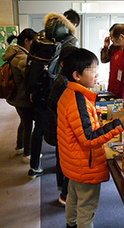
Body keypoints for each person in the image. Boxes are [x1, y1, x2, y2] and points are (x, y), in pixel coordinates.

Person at [57, 47, 124, 228]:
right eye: (92, 70)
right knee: (87, 207)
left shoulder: (72, 93)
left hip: (74, 162)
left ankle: (71, 224)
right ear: (77, 75)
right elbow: (89, 138)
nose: (97, 74)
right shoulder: (78, 100)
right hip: (85, 164)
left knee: (73, 197)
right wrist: (119, 124)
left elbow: (80, 130)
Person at [28, 10, 80, 179]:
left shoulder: (40, 37)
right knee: (61, 131)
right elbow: (74, 72)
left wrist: (32, 90)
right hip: (59, 93)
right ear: (73, 24)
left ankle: (34, 166)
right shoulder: (70, 42)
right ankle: (61, 174)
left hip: (38, 91)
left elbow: (30, 64)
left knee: (38, 129)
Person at [2, 28, 37, 163]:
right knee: (28, 124)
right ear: (26, 41)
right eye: (33, 42)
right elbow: (31, 77)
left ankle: (20, 146)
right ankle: (27, 154)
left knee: (24, 121)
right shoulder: (22, 58)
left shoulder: (15, 53)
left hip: (16, 95)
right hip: (22, 97)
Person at [100, 23, 123, 97]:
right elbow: (104, 60)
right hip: (113, 83)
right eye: (111, 37)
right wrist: (106, 47)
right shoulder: (113, 47)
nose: (112, 39)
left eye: (114, 37)